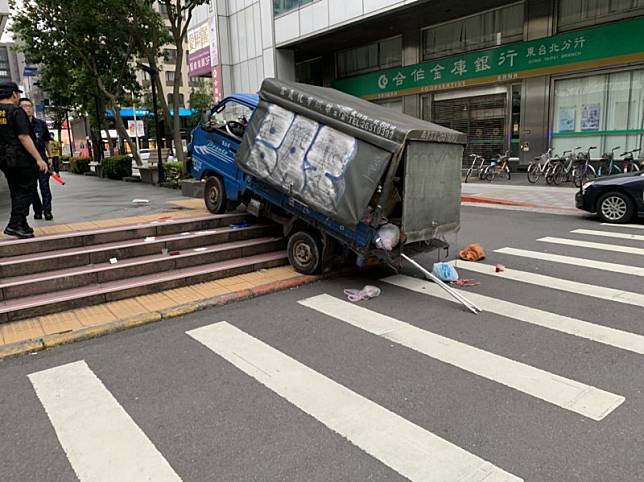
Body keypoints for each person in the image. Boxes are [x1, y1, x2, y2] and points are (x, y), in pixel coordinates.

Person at [0, 82, 48, 238]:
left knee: (16, 190)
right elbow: (24, 136)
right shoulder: (16, 111)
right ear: (14, 94)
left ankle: (21, 223)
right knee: (26, 189)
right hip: (20, 158)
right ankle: (15, 224)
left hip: (5, 159)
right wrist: (39, 158)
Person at [20, 98, 54, 220]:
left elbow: (47, 141)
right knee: (32, 189)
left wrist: (50, 156)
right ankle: (37, 210)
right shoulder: (18, 125)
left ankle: (47, 210)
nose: (27, 108)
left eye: (29, 106)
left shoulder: (41, 124)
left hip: (42, 161)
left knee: (45, 187)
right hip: (27, 163)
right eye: (24, 106)